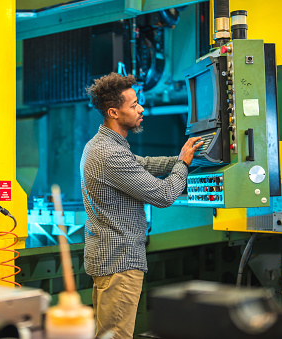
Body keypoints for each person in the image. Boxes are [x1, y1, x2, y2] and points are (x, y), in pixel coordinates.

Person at [80, 72, 203, 339]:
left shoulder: (103, 144)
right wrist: (182, 165)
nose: (141, 109)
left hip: (109, 258)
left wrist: (185, 158)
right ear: (114, 111)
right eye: (133, 105)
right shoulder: (110, 153)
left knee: (108, 334)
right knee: (116, 336)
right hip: (120, 263)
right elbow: (163, 195)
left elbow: (143, 164)